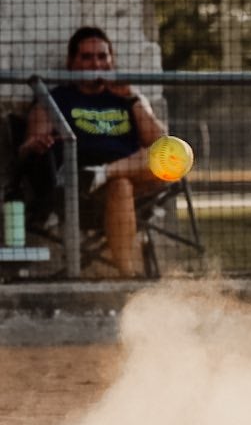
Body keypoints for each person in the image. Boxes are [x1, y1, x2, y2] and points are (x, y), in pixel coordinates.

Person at [17, 26, 167, 277]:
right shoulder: (56, 99)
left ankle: (103, 172)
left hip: (133, 179)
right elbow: (28, 146)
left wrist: (131, 97)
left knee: (172, 155)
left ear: (112, 60)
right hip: (80, 189)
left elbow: (162, 143)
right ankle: (128, 277)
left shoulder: (128, 98)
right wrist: (34, 145)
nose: (95, 63)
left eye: (101, 57)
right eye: (86, 57)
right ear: (71, 62)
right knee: (120, 185)